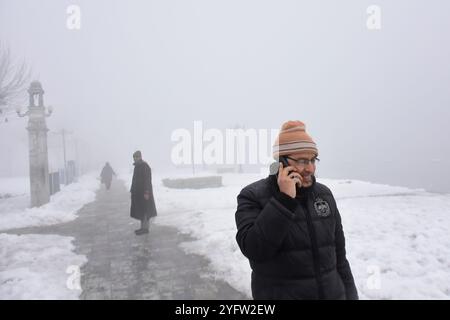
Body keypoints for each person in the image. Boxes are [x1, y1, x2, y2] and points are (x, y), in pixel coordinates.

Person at [235, 120, 358, 300]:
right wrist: (283, 201)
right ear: (282, 162)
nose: (310, 168)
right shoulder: (252, 196)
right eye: (302, 161)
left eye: (312, 160)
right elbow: (255, 250)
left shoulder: (324, 195)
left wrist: (350, 296)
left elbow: (340, 258)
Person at [130, 150, 157, 235]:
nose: (135, 159)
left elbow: (147, 180)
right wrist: (132, 189)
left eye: (136, 157)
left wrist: (146, 192)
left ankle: (145, 229)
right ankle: (142, 228)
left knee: (145, 211)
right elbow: (135, 180)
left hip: (144, 193)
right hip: (138, 193)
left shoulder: (144, 166)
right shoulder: (137, 166)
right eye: (134, 157)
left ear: (140, 157)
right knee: (141, 211)